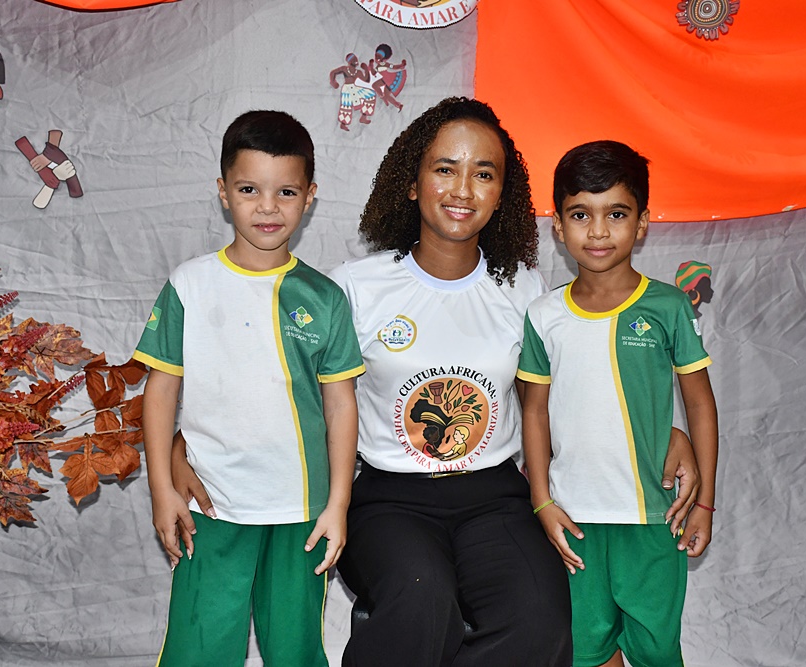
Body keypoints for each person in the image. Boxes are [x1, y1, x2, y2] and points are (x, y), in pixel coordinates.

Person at [172, 98, 702, 665]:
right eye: (445, 168)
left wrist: (667, 435)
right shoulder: (354, 288)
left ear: (502, 194)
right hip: (386, 498)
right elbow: (283, 384)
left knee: (541, 614)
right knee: (421, 600)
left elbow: (561, 397)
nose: (463, 189)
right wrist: (187, 445)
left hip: (495, 496)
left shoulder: (524, 289)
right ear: (411, 181)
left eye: (484, 174)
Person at [135, 110, 365, 667]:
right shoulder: (189, 285)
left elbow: (341, 405)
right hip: (210, 503)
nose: (268, 207)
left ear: (309, 197)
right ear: (223, 192)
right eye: (249, 189)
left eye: (286, 191)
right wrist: (162, 488)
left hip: (302, 510)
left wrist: (338, 503)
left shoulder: (324, 298)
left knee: (294, 649)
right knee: (199, 647)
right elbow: (160, 392)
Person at [519, 140, 719, 667]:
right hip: (573, 521)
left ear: (643, 222)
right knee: (585, 651)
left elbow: (700, 405)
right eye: (580, 214)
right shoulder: (543, 315)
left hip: (654, 518)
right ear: (558, 226)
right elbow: (533, 412)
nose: (598, 231)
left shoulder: (668, 306)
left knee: (657, 650)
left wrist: (704, 503)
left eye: (616, 214)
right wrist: (541, 500)